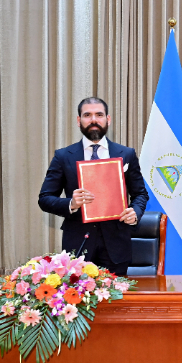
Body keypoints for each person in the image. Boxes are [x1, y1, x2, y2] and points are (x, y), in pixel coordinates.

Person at [39, 97, 149, 276]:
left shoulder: (126, 154)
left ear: (108, 119)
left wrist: (135, 212)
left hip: (117, 247)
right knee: (78, 302)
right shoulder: (63, 156)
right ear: (78, 120)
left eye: (99, 114)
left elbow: (140, 194)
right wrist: (71, 204)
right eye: (87, 115)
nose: (93, 120)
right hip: (78, 246)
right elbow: (44, 199)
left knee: (116, 301)